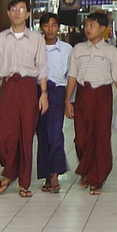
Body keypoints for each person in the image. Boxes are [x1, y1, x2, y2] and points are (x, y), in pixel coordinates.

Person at [65, 11, 117, 194]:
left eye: (92, 25)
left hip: (102, 97)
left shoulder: (111, 52)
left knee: (100, 137)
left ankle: (96, 178)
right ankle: (85, 169)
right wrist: (68, 101)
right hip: (83, 96)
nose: (88, 28)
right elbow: (72, 76)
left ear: (103, 29)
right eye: (86, 25)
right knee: (81, 139)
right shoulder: (78, 49)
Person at [0, 0, 48, 198]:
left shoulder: (36, 39)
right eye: (13, 9)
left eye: (21, 9)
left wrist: (44, 94)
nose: (17, 13)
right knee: (4, 136)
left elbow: (42, 67)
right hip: (8, 88)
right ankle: (10, 170)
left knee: (25, 136)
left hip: (29, 88)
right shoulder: (1, 39)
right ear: (8, 13)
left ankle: (23, 182)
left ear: (28, 14)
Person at [35, 13, 71, 193]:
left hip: (57, 92)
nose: (50, 29)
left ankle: (56, 174)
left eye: (54, 25)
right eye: (47, 25)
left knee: (55, 133)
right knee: (42, 135)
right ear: (41, 27)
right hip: (36, 93)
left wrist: (69, 101)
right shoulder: (35, 47)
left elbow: (71, 76)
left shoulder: (66, 49)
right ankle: (47, 176)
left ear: (59, 28)